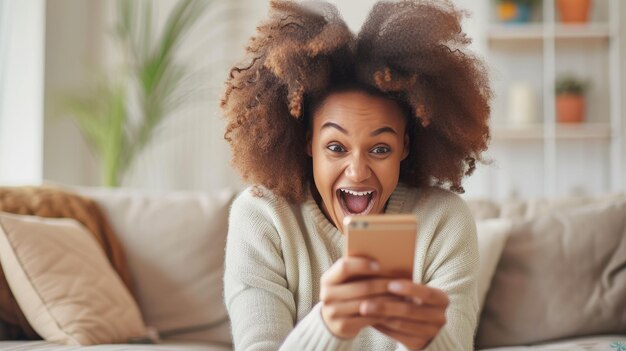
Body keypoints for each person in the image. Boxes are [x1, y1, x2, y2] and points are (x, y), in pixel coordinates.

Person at [221, 0, 491, 350]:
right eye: (336, 147)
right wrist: (328, 323)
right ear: (308, 143)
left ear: (405, 148)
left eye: (380, 149)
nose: (358, 171)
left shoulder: (444, 222)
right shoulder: (262, 218)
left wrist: (428, 338)